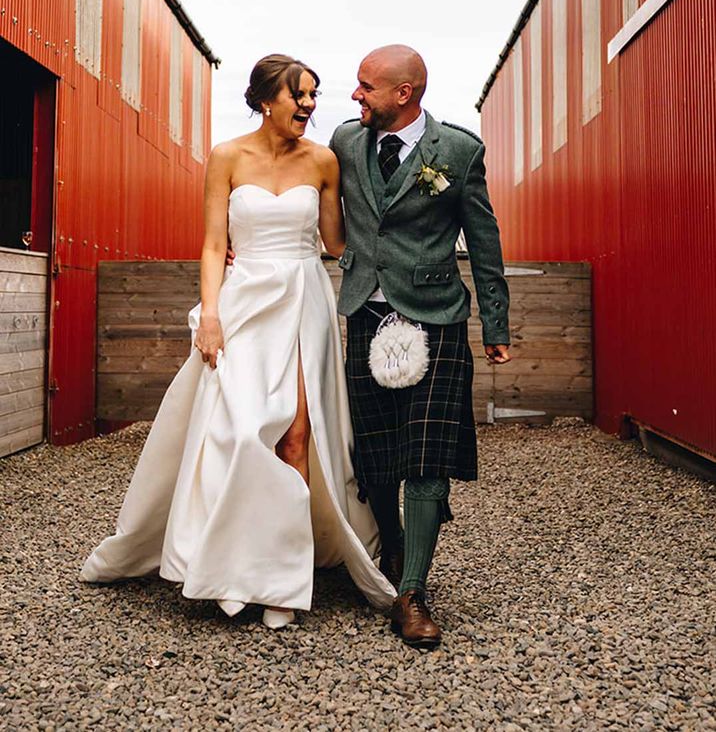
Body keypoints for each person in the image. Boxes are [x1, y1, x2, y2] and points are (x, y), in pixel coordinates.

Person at [80, 54, 395, 629]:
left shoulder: (323, 160)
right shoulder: (226, 156)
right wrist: (212, 315)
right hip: (244, 301)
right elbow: (210, 244)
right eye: (299, 94)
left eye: (314, 95)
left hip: (304, 301)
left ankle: (282, 578)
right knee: (241, 430)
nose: (308, 105)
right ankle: (233, 561)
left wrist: (383, 206)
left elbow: (334, 243)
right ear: (264, 100)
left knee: (299, 436)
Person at [329, 44, 510, 649]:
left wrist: (497, 327)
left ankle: (412, 592)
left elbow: (484, 243)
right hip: (364, 315)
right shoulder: (345, 144)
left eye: (365, 86)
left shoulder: (459, 151)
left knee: (427, 457)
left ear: (403, 94)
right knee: (376, 456)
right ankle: (399, 545)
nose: (355, 95)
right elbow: (312, 202)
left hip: (436, 318)